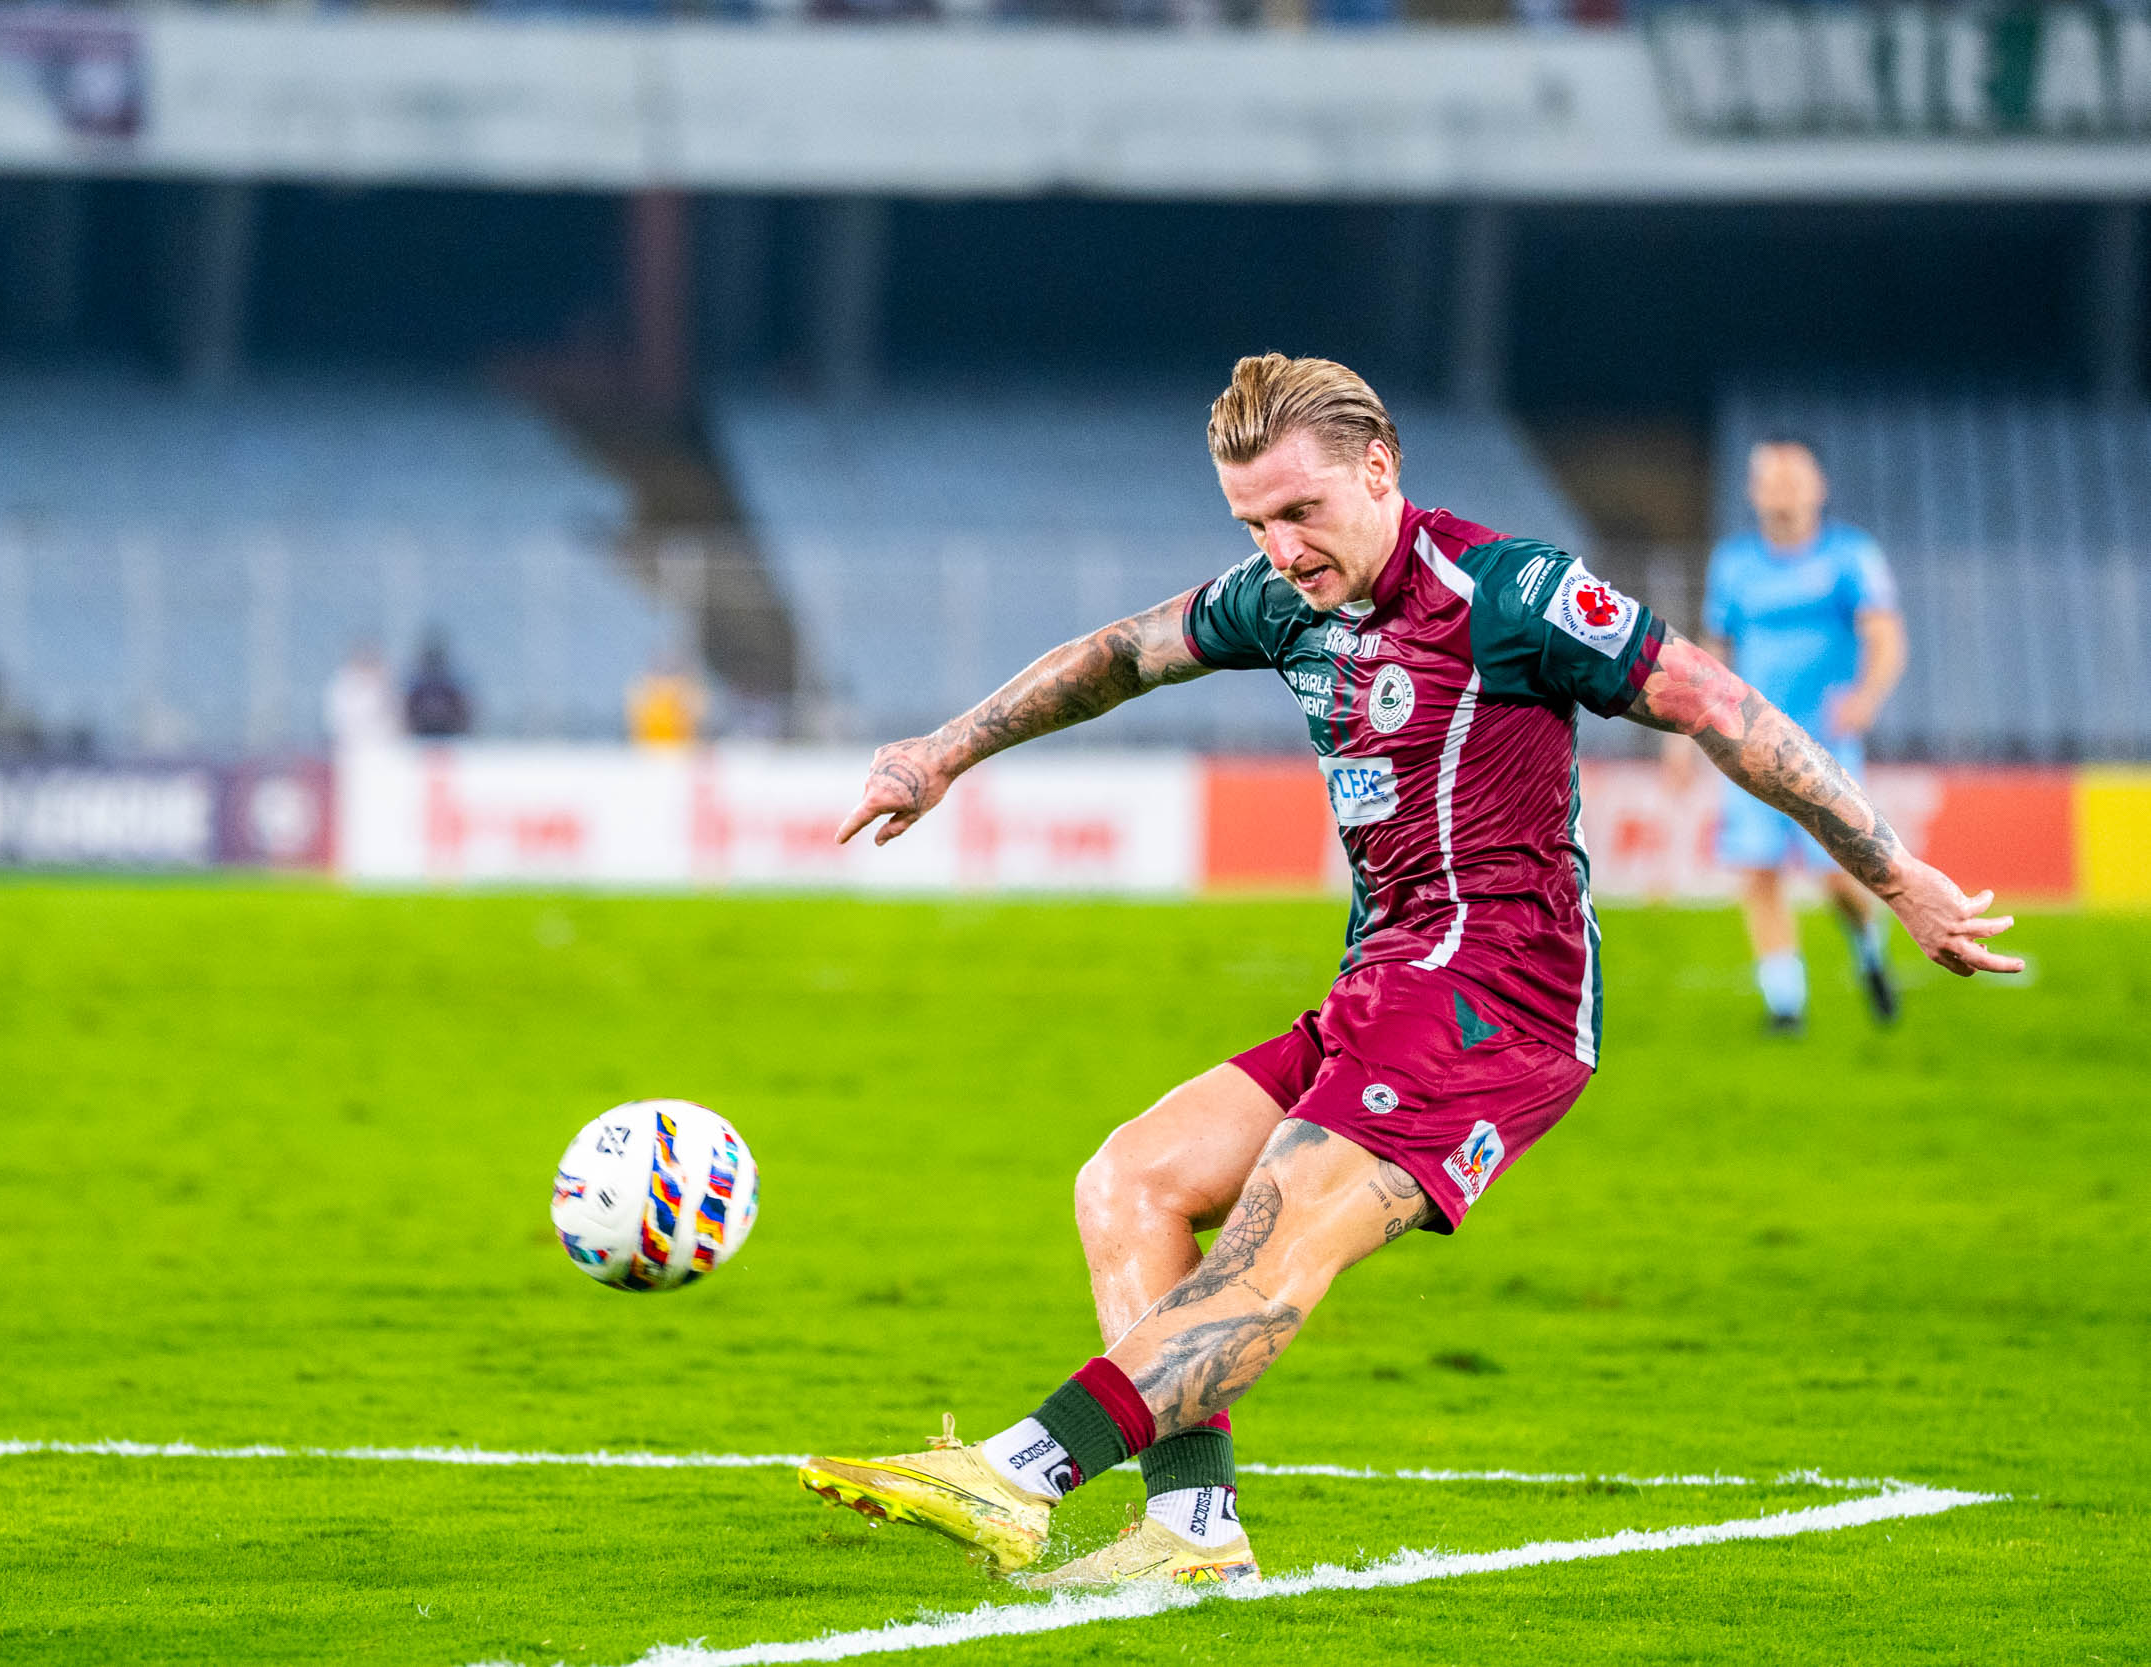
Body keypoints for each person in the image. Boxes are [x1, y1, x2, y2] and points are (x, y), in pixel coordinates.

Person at [796, 356, 2018, 1588]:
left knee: (1273, 1240)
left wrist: (1893, 869)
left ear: (1379, 469)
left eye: (1300, 511)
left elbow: (1717, 703)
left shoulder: (1511, 592)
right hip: (1381, 981)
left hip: (1499, 996)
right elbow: (1120, 653)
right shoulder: (1285, 601)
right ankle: (1191, 1529)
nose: (1279, 549)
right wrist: (941, 751)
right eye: (1253, 524)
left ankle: (1017, 1469)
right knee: (1129, 1181)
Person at [1683, 438, 1908, 1033]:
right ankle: (1786, 1005)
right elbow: (1712, 651)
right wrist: (1682, 735)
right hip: (1747, 743)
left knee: (1840, 876)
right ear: (1753, 490)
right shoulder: (1734, 564)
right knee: (1758, 871)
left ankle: (1870, 951)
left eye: (1793, 477)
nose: (1781, 489)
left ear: (1818, 487)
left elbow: (1886, 637)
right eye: (1770, 478)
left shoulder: (1851, 556)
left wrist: (1866, 698)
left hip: (1826, 746)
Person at [403, 635, 475, 739]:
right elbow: (408, 711)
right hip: (421, 735)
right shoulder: (418, 686)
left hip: (449, 734)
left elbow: (463, 711)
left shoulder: (450, 686)